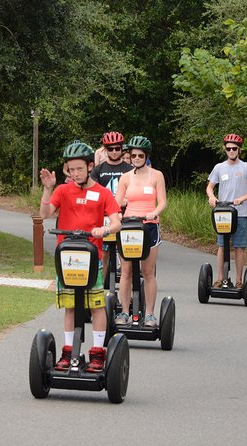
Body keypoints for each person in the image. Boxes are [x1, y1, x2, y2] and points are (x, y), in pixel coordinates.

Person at [39, 141, 122, 373]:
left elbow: (116, 222)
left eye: (79, 169)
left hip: (91, 258)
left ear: (90, 166)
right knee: (70, 307)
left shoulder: (102, 193)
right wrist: (47, 189)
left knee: (96, 306)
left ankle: (97, 353)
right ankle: (68, 351)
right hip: (67, 259)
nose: (75, 174)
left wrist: (105, 230)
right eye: (70, 169)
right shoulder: (63, 191)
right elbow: (44, 214)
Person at [114, 136, 167, 327]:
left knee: (148, 272)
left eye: (140, 155)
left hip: (149, 226)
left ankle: (150, 314)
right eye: (133, 155)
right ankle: (125, 311)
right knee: (126, 271)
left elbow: (162, 201)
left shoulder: (156, 175)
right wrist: (117, 215)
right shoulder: (126, 177)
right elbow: (117, 202)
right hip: (129, 226)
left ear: (146, 156)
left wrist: (154, 212)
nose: (136, 158)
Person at [205, 133, 247, 288]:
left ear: (239, 150)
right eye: (228, 148)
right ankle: (220, 278)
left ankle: (239, 281)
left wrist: (241, 198)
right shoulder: (219, 168)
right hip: (223, 212)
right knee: (222, 245)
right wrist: (211, 197)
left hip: (240, 213)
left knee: (239, 247)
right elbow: (209, 187)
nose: (231, 151)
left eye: (234, 148)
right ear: (224, 149)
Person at [90, 131, 133, 281]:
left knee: (125, 255)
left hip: (125, 215)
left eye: (117, 148)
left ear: (122, 149)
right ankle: (100, 286)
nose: (114, 152)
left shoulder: (129, 169)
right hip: (104, 216)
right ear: (105, 150)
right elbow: (92, 192)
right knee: (104, 253)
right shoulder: (98, 170)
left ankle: (129, 291)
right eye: (110, 149)